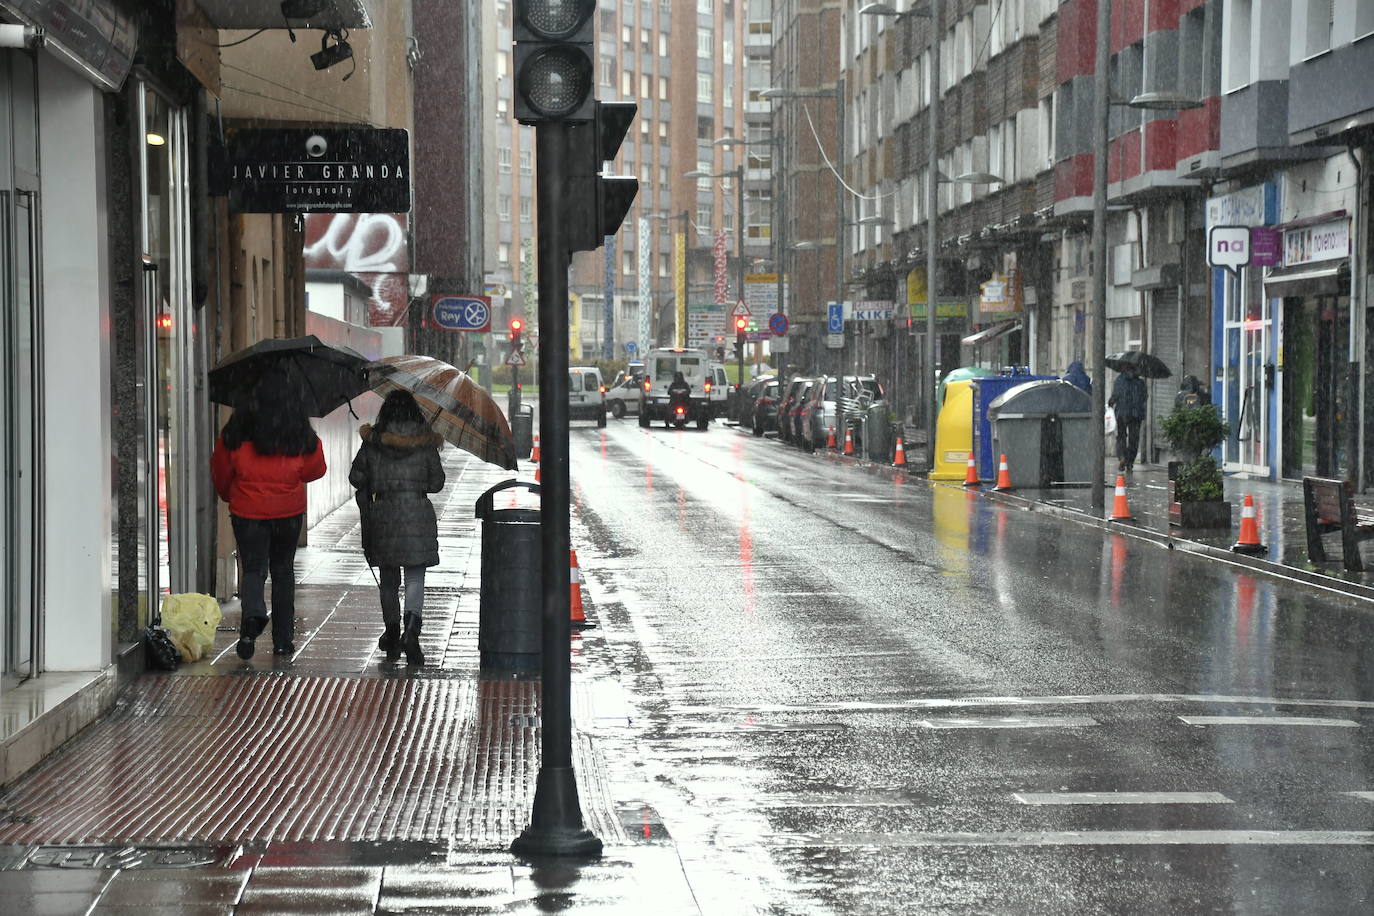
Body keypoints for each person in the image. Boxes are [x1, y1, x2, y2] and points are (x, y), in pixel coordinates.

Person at [211, 372, 326, 659]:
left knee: (253, 569)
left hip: (247, 512)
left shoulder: (235, 431)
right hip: (288, 513)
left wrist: (230, 495)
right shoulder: (298, 431)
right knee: (283, 572)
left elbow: (221, 471)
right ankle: (283, 641)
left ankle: (252, 620)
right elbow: (316, 468)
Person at [349, 390, 445, 666]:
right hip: (416, 513)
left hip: (384, 514)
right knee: (415, 578)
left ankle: (392, 632)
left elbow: (356, 476)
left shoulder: (374, 440)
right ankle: (411, 632)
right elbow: (437, 483)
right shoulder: (425, 441)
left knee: (389, 581)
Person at [1108, 367, 1147, 473]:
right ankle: (1130, 462)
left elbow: (1114, 396)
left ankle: (1122, 457)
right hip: (1136, 414)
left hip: (1121, 413)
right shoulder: (1140, 383)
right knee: (1134, 439)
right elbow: (1144, 397)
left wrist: (1110, 403)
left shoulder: (1119, 380)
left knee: (1121, 436)